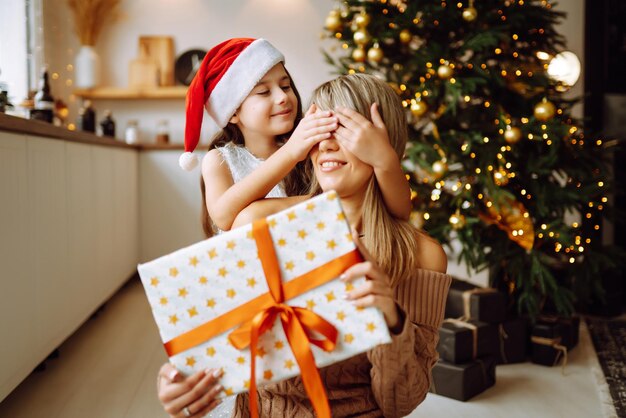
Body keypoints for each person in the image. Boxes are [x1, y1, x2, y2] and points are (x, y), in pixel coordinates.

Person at [158, 73, 451, 417]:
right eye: (318, 130)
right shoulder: (260, 223)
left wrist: (392, 319)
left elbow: (401, 402)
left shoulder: (421, 255)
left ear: (383, 143)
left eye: (343, 130)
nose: (326, 144)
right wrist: (180, 379)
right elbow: (213, 340)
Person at [180, 37, 411, 238]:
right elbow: (223, 217)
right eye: (263, 92)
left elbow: (398, 212)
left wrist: (385, 160)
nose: (282, 97)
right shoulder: (219, 159)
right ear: (232, 113)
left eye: (286, 85)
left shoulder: (315, 144)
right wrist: (290, 153)